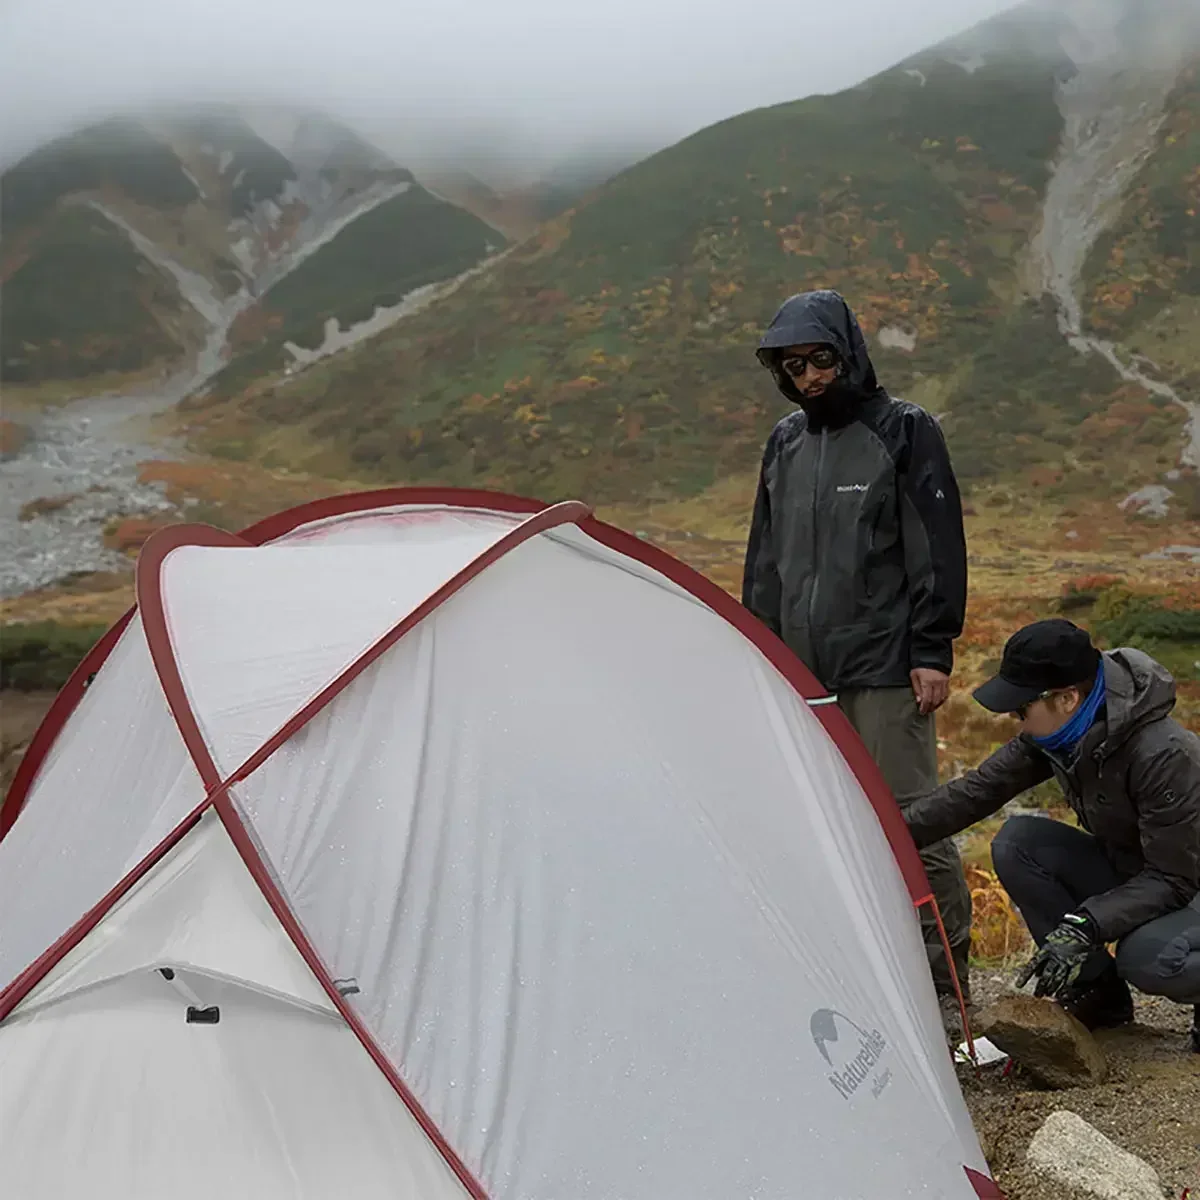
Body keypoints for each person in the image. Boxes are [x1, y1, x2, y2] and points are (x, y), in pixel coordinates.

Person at [742, 289, 973, 1027]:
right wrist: (757, 651)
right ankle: (861, 976)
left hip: (885, 667)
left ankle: (947, 993)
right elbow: (765, 561)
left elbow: (935, 547)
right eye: (792, 364)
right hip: (804, 674)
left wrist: (931, 649)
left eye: (820, 359)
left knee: (913, 826)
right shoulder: (784, 443)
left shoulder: (904, 431)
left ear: (848, 354)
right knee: (823, 826)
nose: (808, 376)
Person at [903, 618, 1200, 1052]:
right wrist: (889, 833)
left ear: (1066, 698)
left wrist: (1086, 923)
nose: (1013, 718)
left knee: (1147, 958)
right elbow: (977, 792)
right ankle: (1099, 994)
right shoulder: (1062, 733)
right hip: (1142, 875)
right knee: (1017, 843)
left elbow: (1175, 878)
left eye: (1021, 708)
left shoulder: (1162, 754)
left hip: (1185, 883)